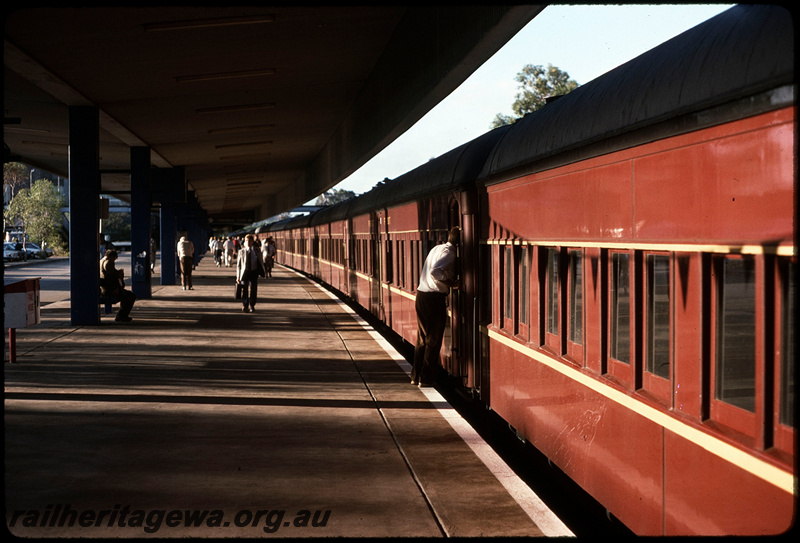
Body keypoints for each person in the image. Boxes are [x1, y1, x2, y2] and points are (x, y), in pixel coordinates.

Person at [412, 227, 460, 388]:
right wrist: (452, 283)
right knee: (433, 340)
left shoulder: (437, 248)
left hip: (421, 295)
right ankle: (425, 379)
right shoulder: (450, 252)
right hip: (433, 298)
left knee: (421, 339)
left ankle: (415, 375)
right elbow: (435, 271)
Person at [100, 249, 136, 323]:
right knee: (130, 296)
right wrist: (120, 273)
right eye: (114, 259)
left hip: (103, 289)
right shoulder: (108, 262)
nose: (114, 261)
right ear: (112, 256)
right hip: (109, 290)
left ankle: (121, 315)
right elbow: (114, 276)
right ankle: (121, 315)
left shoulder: (101, 261)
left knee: (127, 295)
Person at [236, 234, 265, 312]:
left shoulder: (257, 251)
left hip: (254, 272)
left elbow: (261, 261)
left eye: (249, 241)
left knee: (253, 289)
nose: (247, 242)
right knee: (244, 289)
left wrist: (262, 271)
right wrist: (238, 276)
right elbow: (238, 265)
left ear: (252, 242)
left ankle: (252, 305)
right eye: (246, 241)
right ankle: (245, 305)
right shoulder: (241, 252)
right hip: (244, 273)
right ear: (244, 242)